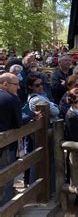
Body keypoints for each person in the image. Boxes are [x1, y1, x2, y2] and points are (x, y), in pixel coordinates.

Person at [0, 73, 23, 206]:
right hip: (6, 145)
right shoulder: (11, 99)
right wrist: (31, 115)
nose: (18, 87)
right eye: (15, 84)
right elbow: (18, 123)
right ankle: (6, 208)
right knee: (6, 176)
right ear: (5, 84)